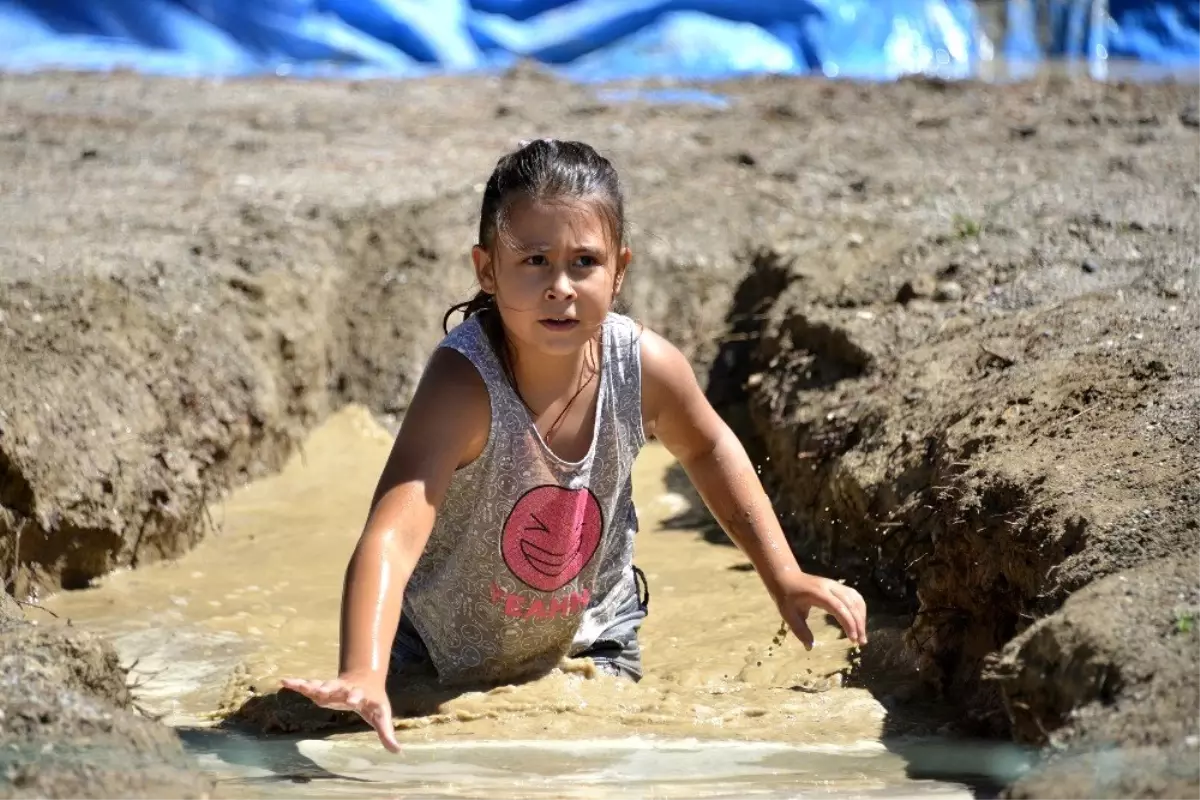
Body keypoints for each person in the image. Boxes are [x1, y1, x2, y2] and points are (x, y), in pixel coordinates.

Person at [281, 139, 868, 752]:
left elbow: (708, 449)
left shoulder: (644, 367)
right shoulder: (462, 386)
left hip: (594, 638)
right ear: (487, 270)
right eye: (534, 260)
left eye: (584, 262)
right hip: (435, 649)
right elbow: (392, 536)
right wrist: (362, 671)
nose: (559, 286)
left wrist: (783, 574)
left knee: (593, 765)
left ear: (619, 270)